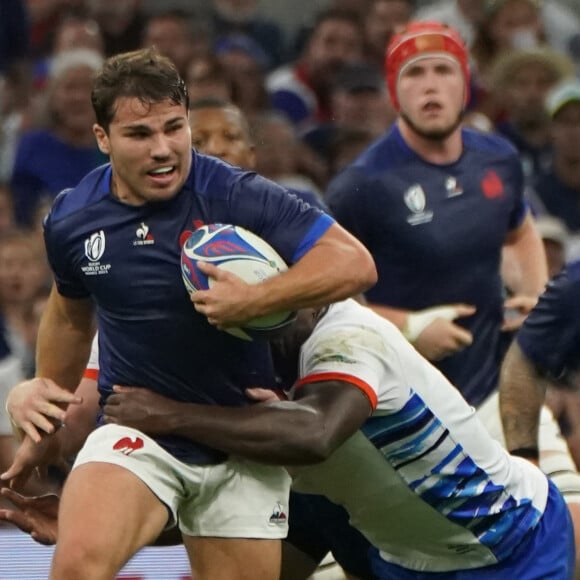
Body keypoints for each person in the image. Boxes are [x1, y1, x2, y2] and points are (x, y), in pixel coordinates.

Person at [2, 47, 376, 580]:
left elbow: (354, 263)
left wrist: (256, 299)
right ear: (102, 138)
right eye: (139, 135)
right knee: (79, 567)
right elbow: (69, 314)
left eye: (173, 129)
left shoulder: (234, 193)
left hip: (243, 443)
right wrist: (45, 400)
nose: (163, 150)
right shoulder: (72, 219)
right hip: (137, 433)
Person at [2, 299, 575, 579]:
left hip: (507, 545)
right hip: (390, 549)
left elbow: (316, 434)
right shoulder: (237, 374)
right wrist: (100, 527)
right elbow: (226, 512)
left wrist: (170, 414)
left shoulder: (349, 335)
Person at [326, 19, 580, 568]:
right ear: (395, 89)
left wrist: (535, 296)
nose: (430, 85)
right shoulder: (361, 185)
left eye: (443, 70)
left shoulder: (499, 160)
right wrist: (411, 328)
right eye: (414, 73)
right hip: (406, 406)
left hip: (496, 388)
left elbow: (519, 230)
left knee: (573, 523)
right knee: (424, 556)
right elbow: (327, 302)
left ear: (466, 84)